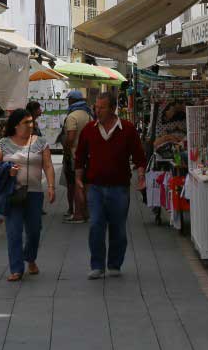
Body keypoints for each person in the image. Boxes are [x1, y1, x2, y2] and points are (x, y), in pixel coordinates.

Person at [74, 93, 146, 279]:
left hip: (119, 187)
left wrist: (141, 176)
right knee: (96, 224)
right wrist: (78, 180)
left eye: (102, 108)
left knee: (118, 227)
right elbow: (80, 157)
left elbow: (139, 156)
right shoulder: (89, 129)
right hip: (95, 187)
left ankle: (114, 263)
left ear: (113, 108)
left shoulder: (128, 129)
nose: (97, 111)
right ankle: (97, 265)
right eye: (96, 107)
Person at [0, 108, 56, 281]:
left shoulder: (41, 142)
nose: (30, 125)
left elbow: (48, 165)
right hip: (13, 193)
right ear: (16, 125)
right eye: (26, 122)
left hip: (34, 193)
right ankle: (16, 269)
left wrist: (51, 186)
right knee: (14, 231)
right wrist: (7, 169)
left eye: (31, 122)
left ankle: (30, 258)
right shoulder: (3, 143)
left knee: (34, 231)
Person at [61, 89, 94, 224]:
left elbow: (71, 137)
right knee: (86, 185)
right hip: (89, 155)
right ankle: (86, 212)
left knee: (75, 184)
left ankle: (78, 214)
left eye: (69, 99)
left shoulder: (72, 116)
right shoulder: (89, 115)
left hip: (75, 156)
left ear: (72, 100)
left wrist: (67, 150)